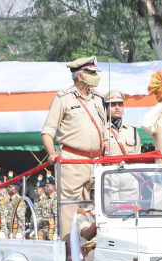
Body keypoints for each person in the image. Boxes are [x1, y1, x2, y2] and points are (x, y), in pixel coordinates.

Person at [41, 55, 109, 242]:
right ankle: (69, 259)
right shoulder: (63, 98)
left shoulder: (99, 99)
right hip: (71, 159)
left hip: (96, 161)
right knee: (69, 208)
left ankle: (92, 251)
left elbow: (104, 130)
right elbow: (47, 132)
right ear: (80, 76)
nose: (96, 76)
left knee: (97, 206)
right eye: (92, 72)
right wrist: (53, 154)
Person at [105, 89, 142, 156]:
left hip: (128, 166)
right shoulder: (102, 129)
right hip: (110, 166)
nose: (117, 108)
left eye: (120, 105)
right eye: (113, 105)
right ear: (106, 108)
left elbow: (137, 153)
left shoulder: (132, 129)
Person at [5, 173, 26, 239]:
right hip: (9, 229)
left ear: (15, 188)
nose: (7, 188)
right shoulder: (9, 199)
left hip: (16, 231)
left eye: (9, 187)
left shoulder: (19, 200)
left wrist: (19, 232)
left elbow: (21, 218)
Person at [42, 174, 58, 241]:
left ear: (53, 187)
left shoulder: (55, 199)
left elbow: (57, 217)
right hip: (45, 229)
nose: (45, 187)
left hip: (52, 229)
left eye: (47, 186)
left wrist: (56, 232)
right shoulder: (46, 199)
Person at [32, 175, 47, 240]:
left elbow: (46, 216)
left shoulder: (45, 200)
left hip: (41, 228)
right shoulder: (36, 199)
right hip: (35, 227)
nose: (35, 190)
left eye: (36, 189)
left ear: (42, 189)